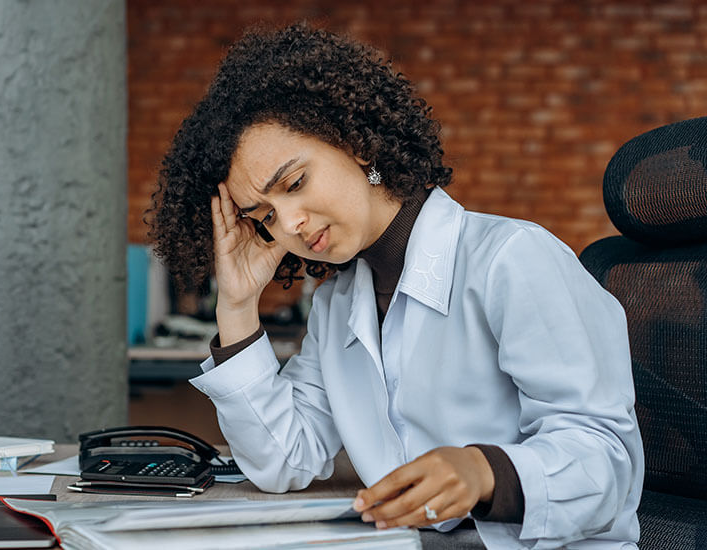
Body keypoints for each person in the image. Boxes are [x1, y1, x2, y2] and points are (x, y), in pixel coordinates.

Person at [147, 23, 643, 549]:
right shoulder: (337, 303)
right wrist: (238, 305)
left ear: (357, 143)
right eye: (263, 214)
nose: (289, 222)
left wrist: (485, 472)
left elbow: (608, 460)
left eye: (294, 184)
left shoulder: (510, 259)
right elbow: (283, 460)